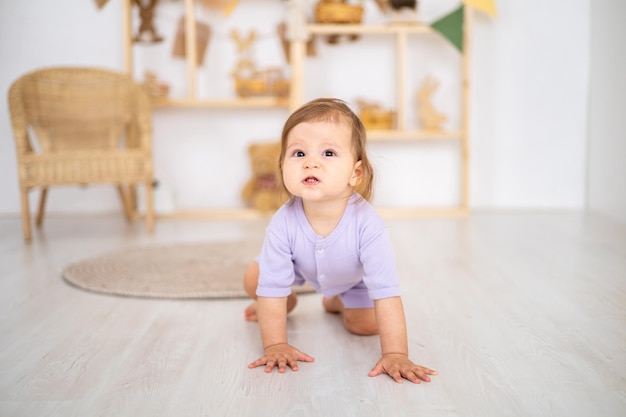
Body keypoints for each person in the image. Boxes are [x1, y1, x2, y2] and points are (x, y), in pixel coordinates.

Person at [243, 98, 436, 384]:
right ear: (282, 165)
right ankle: (290, 301)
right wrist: (275, 345)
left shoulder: (368, 225)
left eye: (329, 153)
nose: (311, 162)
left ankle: (338, 301)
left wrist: (396, 353)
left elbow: (385, 291)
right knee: (254, 279)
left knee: (366, 325)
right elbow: (270, 288)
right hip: (299, 269)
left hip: (353, 279)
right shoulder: (283, 222)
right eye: (298, 153)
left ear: (355, 173)